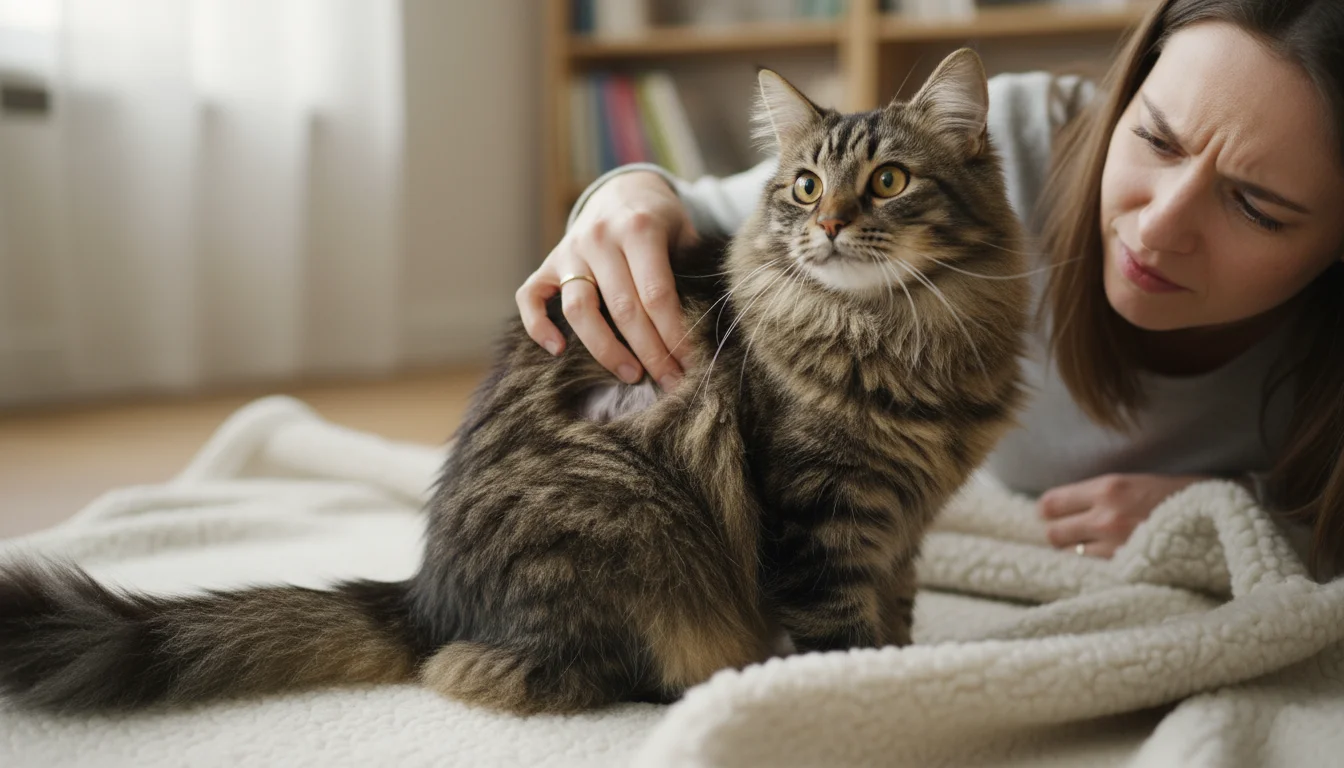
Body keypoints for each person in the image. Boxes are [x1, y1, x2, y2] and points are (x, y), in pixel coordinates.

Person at [516, 0, 1344, 579]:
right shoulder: (1000, 139)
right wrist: (620, 195)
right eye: (1157, 139)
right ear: (1123, 98)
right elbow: (696, 208)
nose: (1161, 226)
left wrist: (1247, 517)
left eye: (1256, 206)